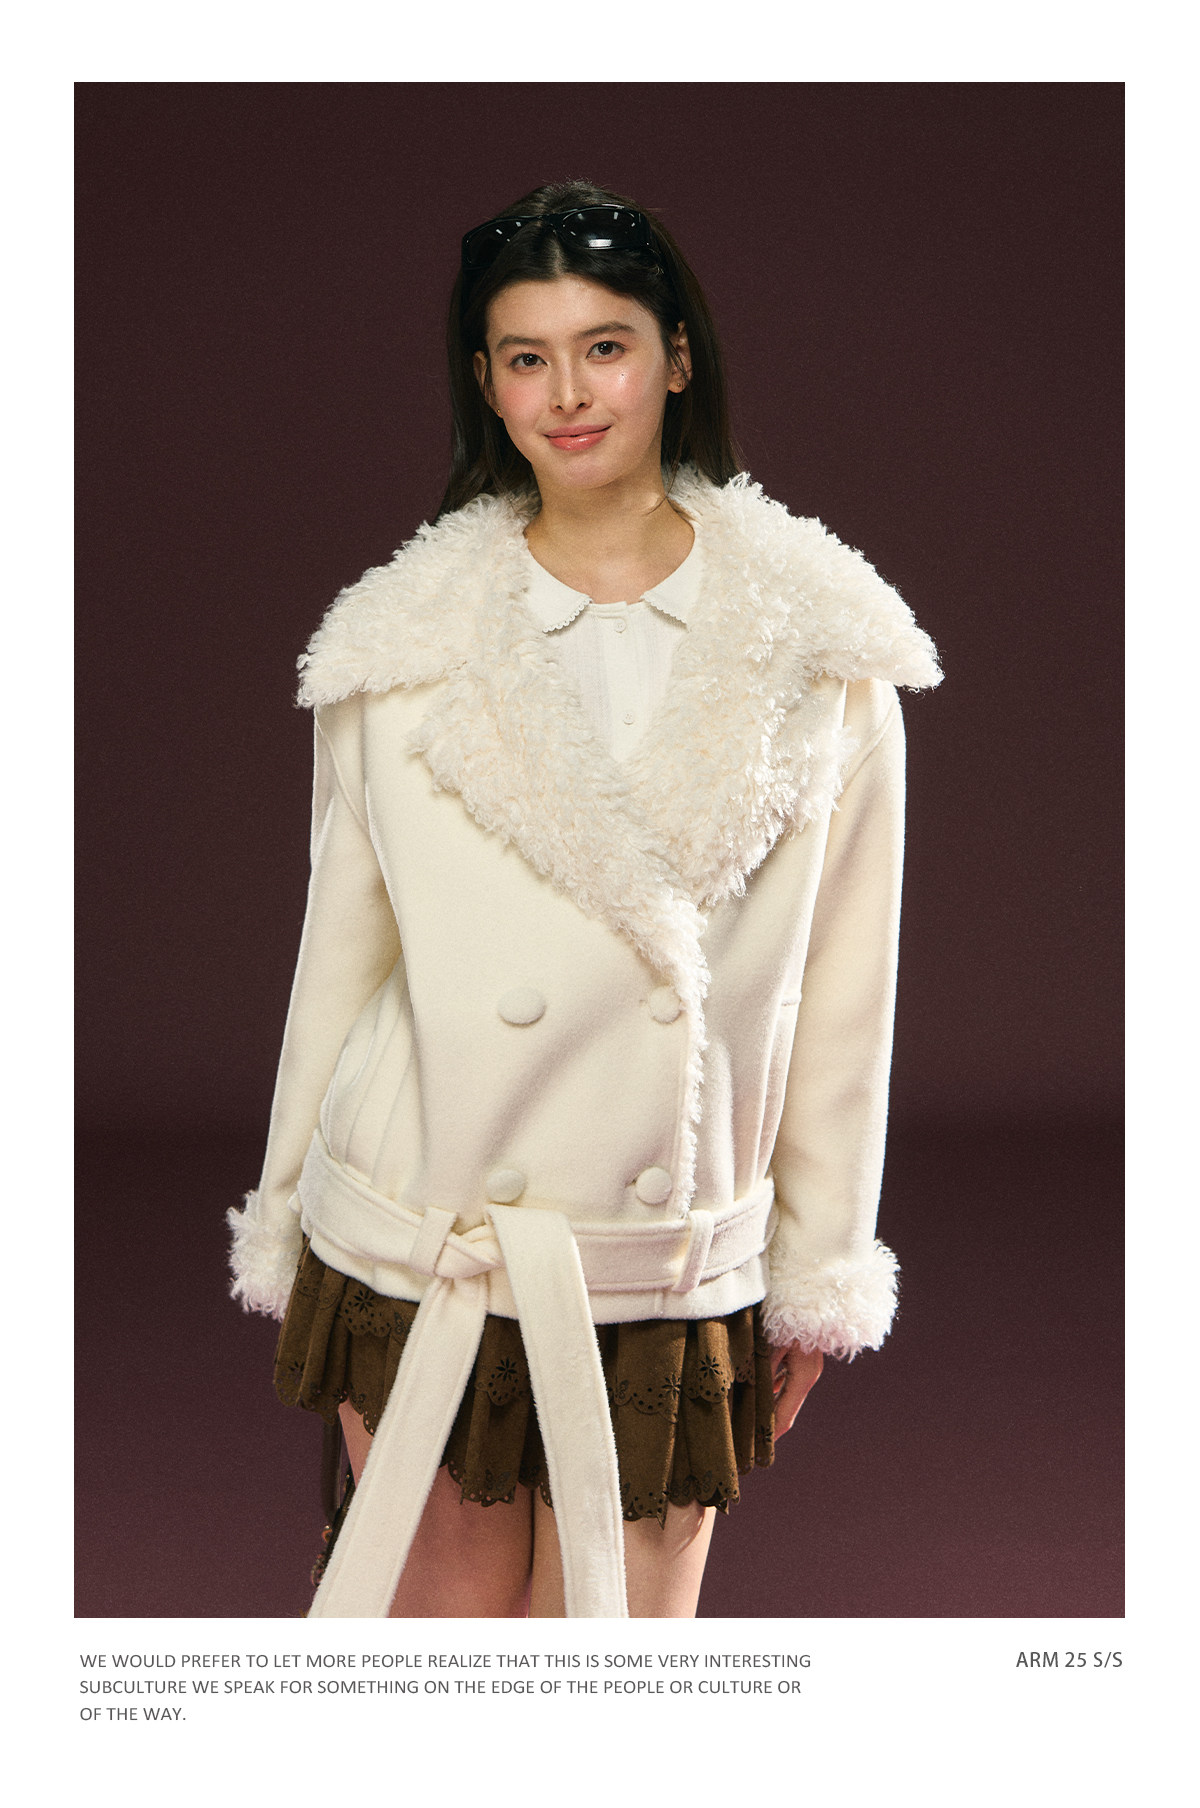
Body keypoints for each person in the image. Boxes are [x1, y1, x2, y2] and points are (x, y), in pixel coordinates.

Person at [228, 179, 942, 1620]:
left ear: (677, 358)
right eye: (526, 357)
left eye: (604, 347)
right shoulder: (394, 649)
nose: (567, 394)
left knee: (617, 1685)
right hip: (428, 1233)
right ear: (485, 385)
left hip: (663, 1256)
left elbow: (841, 993)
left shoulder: (824, 651)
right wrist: (287, 1214)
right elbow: (341, 959)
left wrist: (815, 1266)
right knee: (443, 1682)